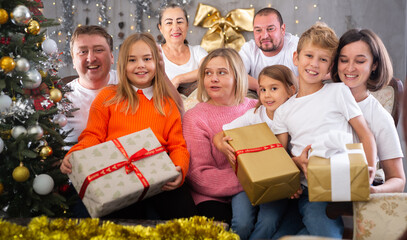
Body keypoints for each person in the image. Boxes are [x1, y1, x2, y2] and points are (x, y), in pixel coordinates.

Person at [60, 32, 196, 220]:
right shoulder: (108, 97)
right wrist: (75, 153)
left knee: (186, 215)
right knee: (121, 219)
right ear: (123, 66)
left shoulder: (167, 104)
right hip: (119, 174)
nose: (140, 65)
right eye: (132, 60)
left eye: (147, 59)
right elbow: (93, 135)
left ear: (157, 63)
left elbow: (177, 145)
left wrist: (180, 168)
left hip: (159, 174)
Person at [272, 22, 377, 238]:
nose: (314, 64)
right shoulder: (284, 111)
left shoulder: (338, 92)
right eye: (309, 56)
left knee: (325, 233)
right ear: (296, 58)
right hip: (309, 189)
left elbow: (365, 133)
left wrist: (369, 169)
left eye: (323, 59)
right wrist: (294, 163)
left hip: (343, 180)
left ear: (330, 68)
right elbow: (278, 156)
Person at [213, 65, 297, 240]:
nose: (267, 94)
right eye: (262, 89)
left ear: (290, 90)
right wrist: (222, 146)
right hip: (248, 181)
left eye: (274, 89)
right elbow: (222, 134)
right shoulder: (255, 114)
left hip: (278, 185)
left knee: (268, 222)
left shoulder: (296, 117)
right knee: (242, 223)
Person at [182, 48, 258, 225]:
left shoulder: (256, 108)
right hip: (211, 195)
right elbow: (198, 175)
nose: (213, 78)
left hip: (252, 190)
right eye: (208, 73)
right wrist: (250, 180)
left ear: (237, 76)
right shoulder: (195, 117)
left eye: (221, 72)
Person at [331, 28, 405, 193]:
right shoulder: (323, 98)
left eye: (360, 61)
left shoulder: (379, 117)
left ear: (374, 65)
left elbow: (398, 180)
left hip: (349, 196)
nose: (350, 68)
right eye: (344, 60)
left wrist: (374, 191)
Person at [63, 25, 117, 144]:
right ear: (73, 60)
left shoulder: (129, 83)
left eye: (98, 50)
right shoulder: (61, 98)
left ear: (112, 57)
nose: (91, 58)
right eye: (83, 52)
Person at [239, 7, 299, 91]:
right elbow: (235, 73)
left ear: (282, 29)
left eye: (270, 29)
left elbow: (310, 75)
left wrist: (281, 91)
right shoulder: (249, 48)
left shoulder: (297, 46)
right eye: (258, 30)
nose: (264, 36)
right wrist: (260, 87)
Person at [157, 4, 207, 100]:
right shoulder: (154, 54)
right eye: (169, 23)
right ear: (160, 28)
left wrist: (178, 79)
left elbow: (209, 69)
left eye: (180, 22)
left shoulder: (197, 51)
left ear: (187, 25)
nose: (175, 27)